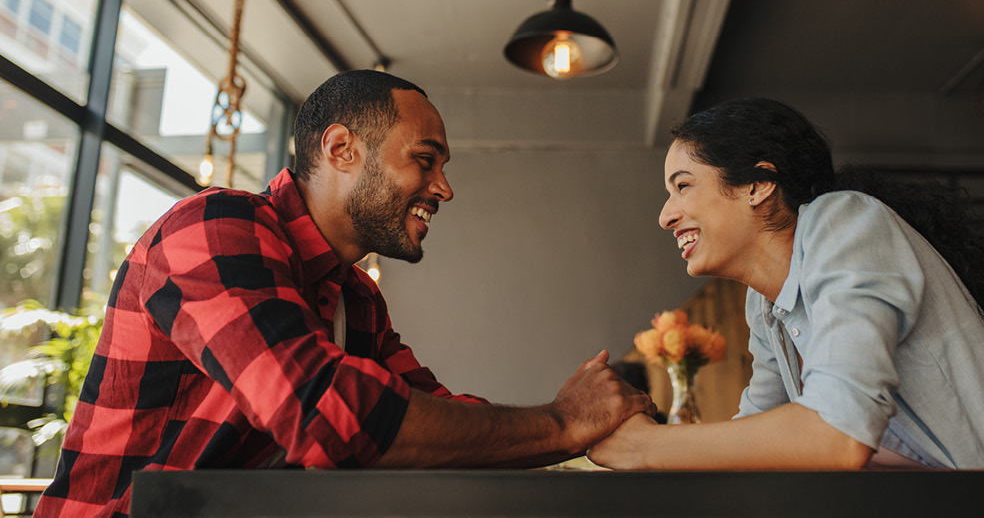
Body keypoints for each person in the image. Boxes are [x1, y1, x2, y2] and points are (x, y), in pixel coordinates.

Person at [36, 70, 653, 517]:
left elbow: (438, 421)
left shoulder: (355, 297)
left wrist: (586, 425)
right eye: (425, 160)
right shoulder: (215, 226)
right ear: (341, 149)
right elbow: (321, 411)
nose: (444, 188)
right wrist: (563, 422)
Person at [587, 98, 984, 518]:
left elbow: (836, 433)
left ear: (756, 184)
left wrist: (643, 448)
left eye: (682, 187)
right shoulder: (765, 305)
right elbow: (751, 442)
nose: (665, 216)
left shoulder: (845, 222)